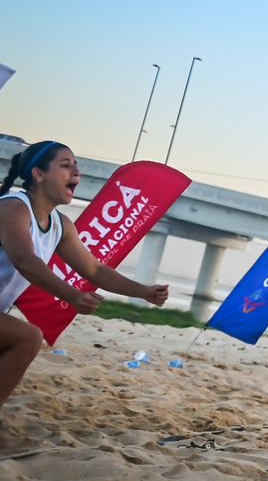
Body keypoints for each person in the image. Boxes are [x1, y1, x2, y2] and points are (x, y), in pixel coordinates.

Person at [1, 142, 170, 410]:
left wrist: (144, 291)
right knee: (29, 337)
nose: (76, 173)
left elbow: (95, 270)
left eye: (76, 166)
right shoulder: (14, 208)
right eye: (66, 166)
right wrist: (72, 295)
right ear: (38, 174)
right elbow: (25, 261)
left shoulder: (60, 225)